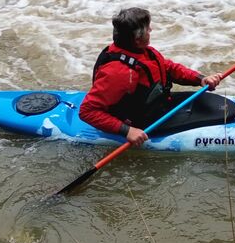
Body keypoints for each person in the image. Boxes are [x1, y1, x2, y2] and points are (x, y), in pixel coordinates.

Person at [79, 8, 222, 147]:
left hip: (158, 105)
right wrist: (127, 130)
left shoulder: (144, 52)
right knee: (221, 114)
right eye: (148, 29)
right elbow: (87, 111)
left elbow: (168, 68)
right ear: (137, 39)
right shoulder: (118, 72)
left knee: (222, 108)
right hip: (140, 121)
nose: (151, 30)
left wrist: (200, 79)